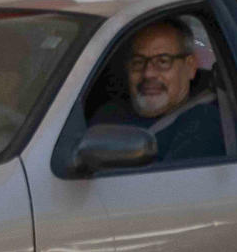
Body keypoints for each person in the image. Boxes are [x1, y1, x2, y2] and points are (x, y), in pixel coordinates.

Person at [92, 17, 226, 163]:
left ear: (190, 66)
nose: (148, 73)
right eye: (138, 62)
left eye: (163, 61)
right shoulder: (109, 114)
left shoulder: (202, 125)